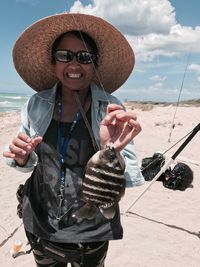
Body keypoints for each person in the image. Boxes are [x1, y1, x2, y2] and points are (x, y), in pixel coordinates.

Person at [3, 13, 144, 267]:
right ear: (53, 61)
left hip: (92, 228)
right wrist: (21, 155)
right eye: (64, 56)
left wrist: (110, 148)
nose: (74, 64)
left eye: (85, 57)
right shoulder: (36, 103)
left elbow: (129, 175)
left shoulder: (110, 107)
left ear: (95, 63)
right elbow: (27, 161)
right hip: (40, 221)